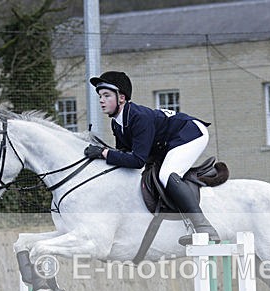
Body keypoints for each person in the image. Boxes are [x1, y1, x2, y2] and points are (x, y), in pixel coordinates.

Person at [84, 71, 220, 245]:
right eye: (100, 96)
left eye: (106, 95)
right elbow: (124, 154)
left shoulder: (139, 117)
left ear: (122, 98)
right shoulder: (117, 122)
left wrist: (104, 153)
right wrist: (105, 155)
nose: (101, 100)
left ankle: (204, 227)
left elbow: (137, 161)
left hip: (190, 133)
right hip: (168, 142)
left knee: (166, 174)